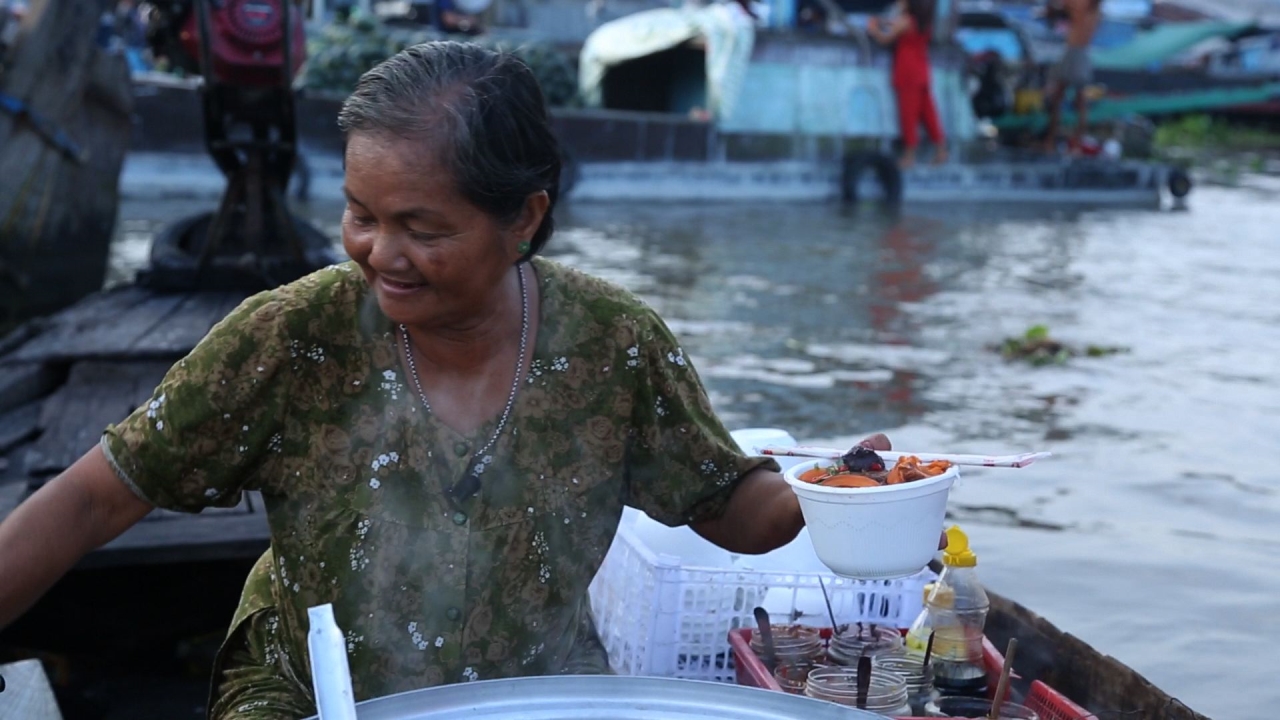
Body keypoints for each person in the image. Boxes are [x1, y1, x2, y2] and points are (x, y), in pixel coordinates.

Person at [0, 42, 939, 719]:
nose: (379, 253)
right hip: (306, 692)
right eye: (360, 214)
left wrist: (843, 493)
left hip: (543, 690)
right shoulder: (293, 337)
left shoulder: (612, 344)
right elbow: (90, 499)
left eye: (424, 228)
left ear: (524, 217)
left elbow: (727, 503)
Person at [868, 0, 948, 169]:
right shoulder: (923, 21)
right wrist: (885, 22)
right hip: (922, 69)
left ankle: (909, 156)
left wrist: (873, 28)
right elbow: (896, 25)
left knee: (908, 115)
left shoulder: (906, 21)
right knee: (928, 113)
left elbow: (885, 39)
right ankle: (941, 150)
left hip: (907, 72)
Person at [1042, 0, 1103, 153]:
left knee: (1077, 101)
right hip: (1074, 53)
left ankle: (1070, 142)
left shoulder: (1089, 11)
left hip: (1077, 54)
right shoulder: (1091, 12)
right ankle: (1055, 140)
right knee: (1064, 98)